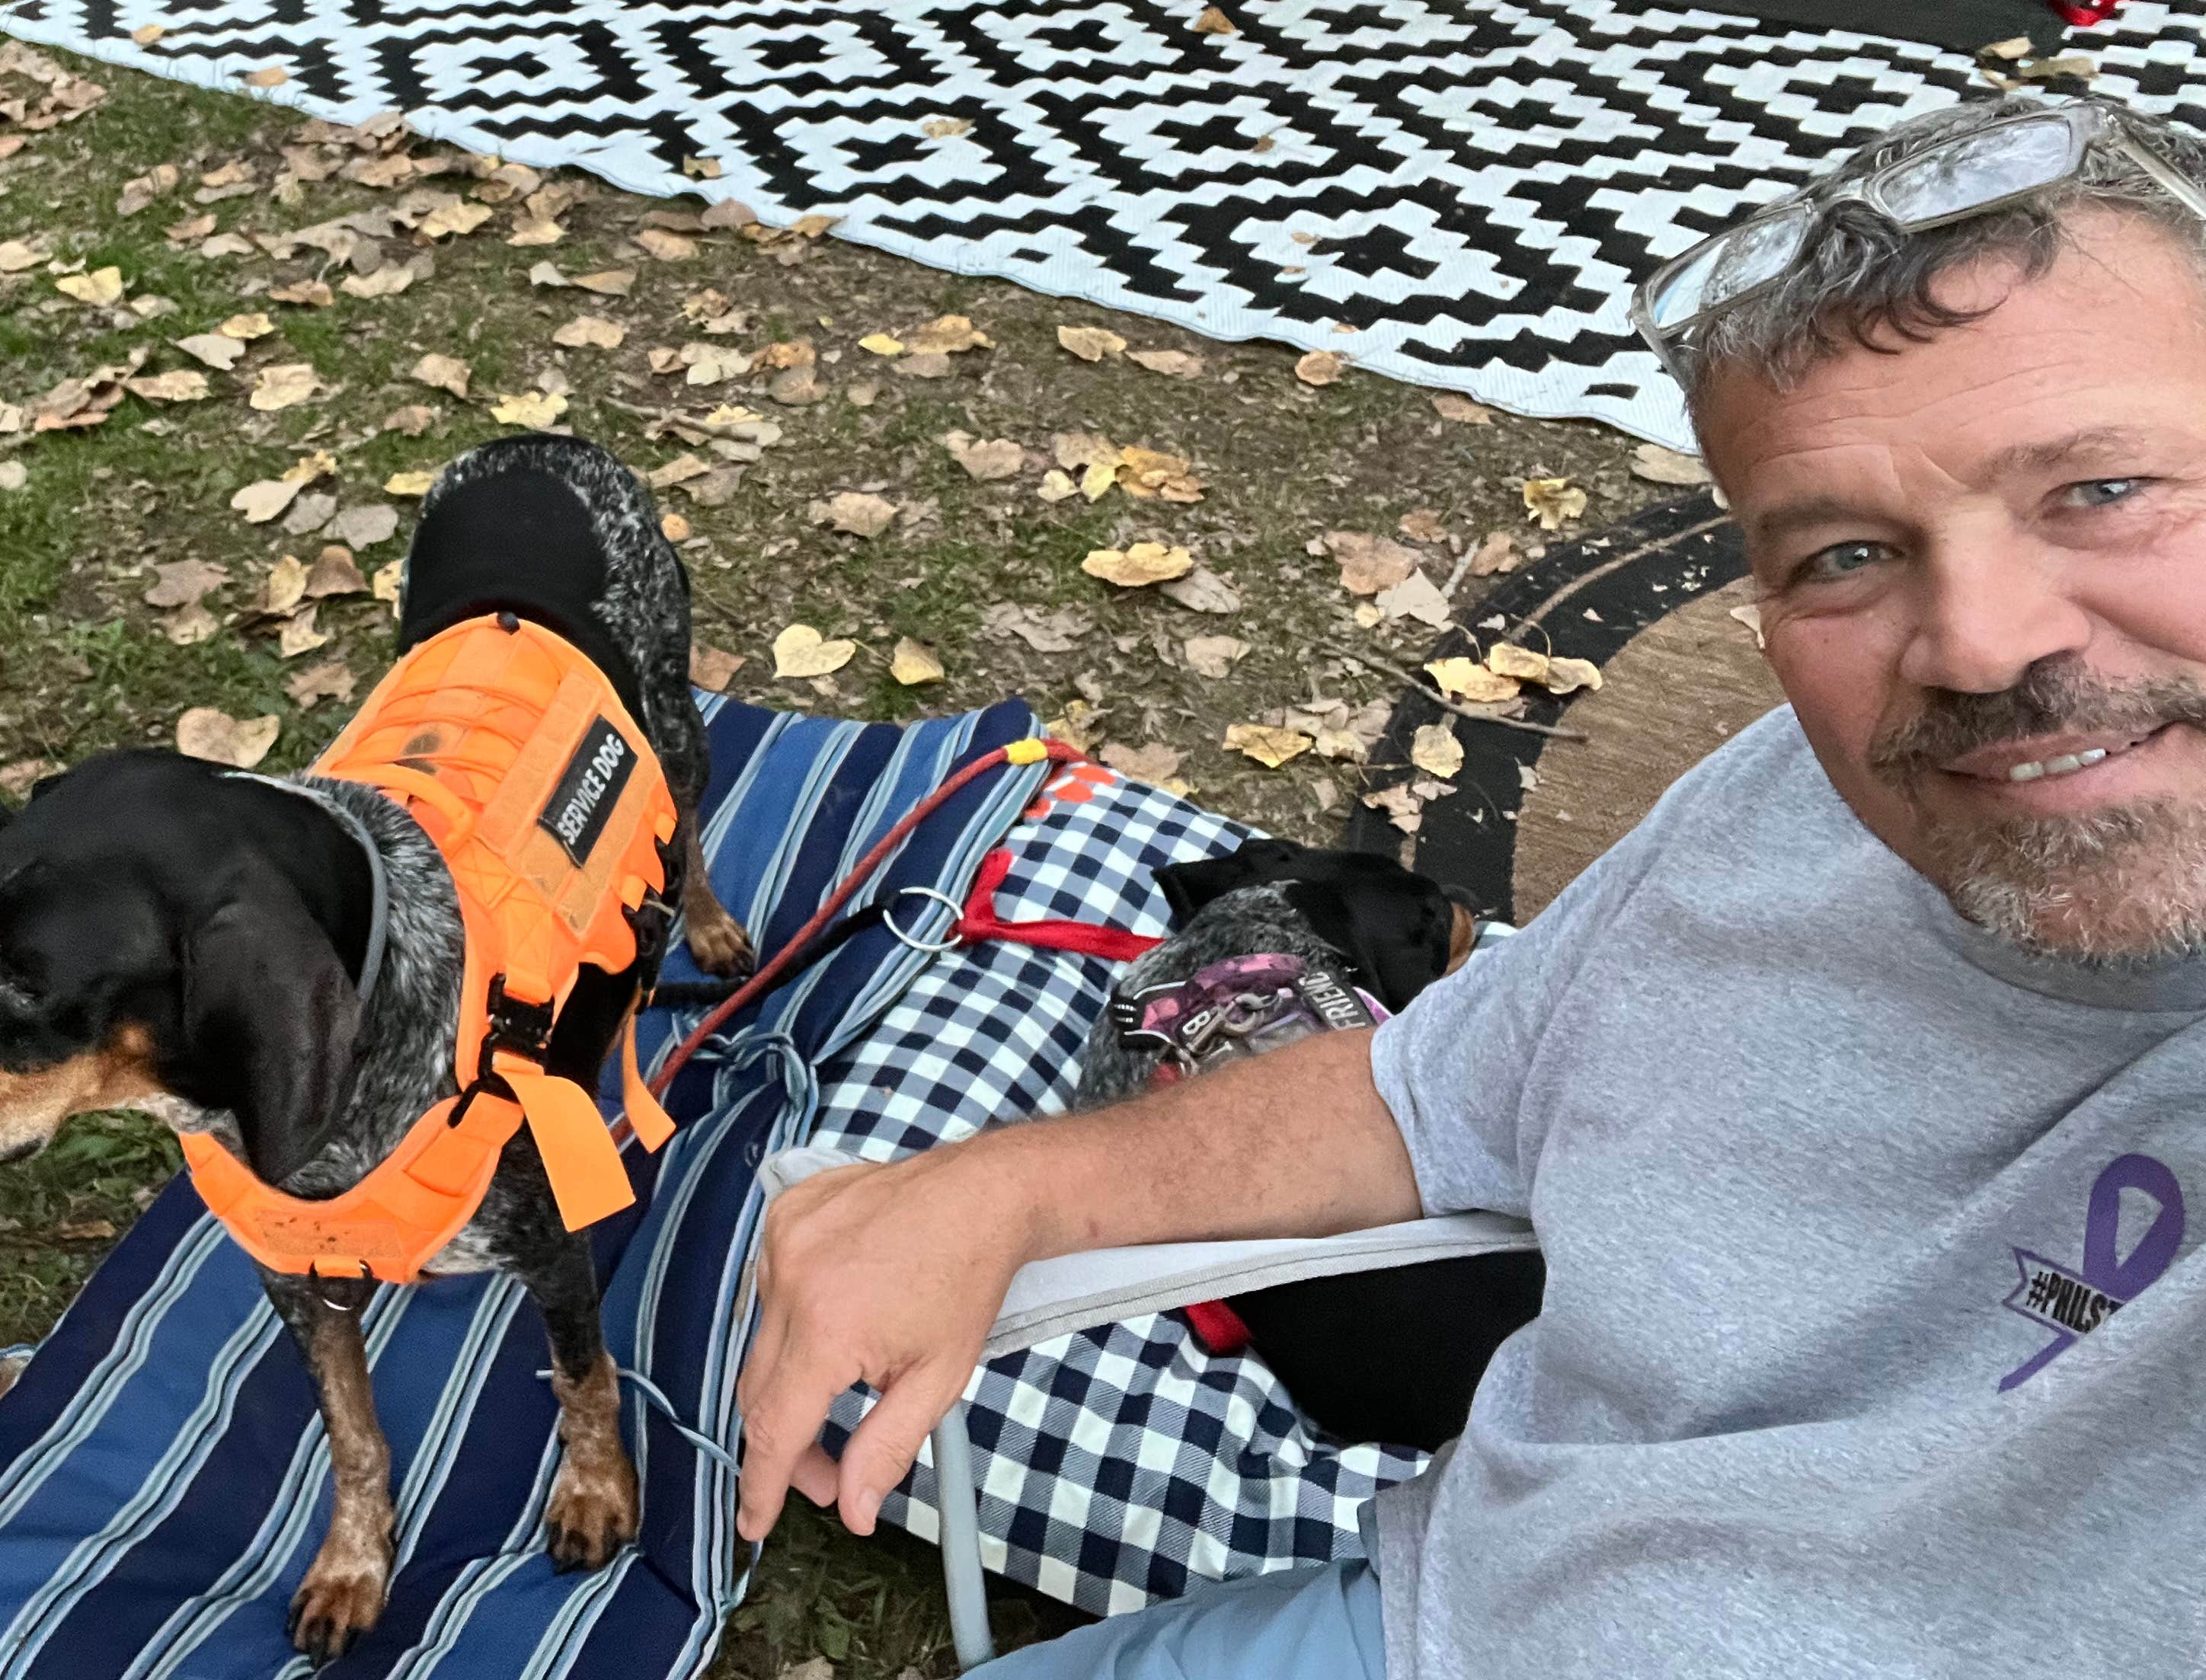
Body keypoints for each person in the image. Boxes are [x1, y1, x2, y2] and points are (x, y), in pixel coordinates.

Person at [734, 94, 2206, 1678]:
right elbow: (1436, 1088)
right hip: (1441, 1625)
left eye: (2103, 490)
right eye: (1844, 553)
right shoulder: (1792, 799)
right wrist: (996, 1189)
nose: (1979, 642)